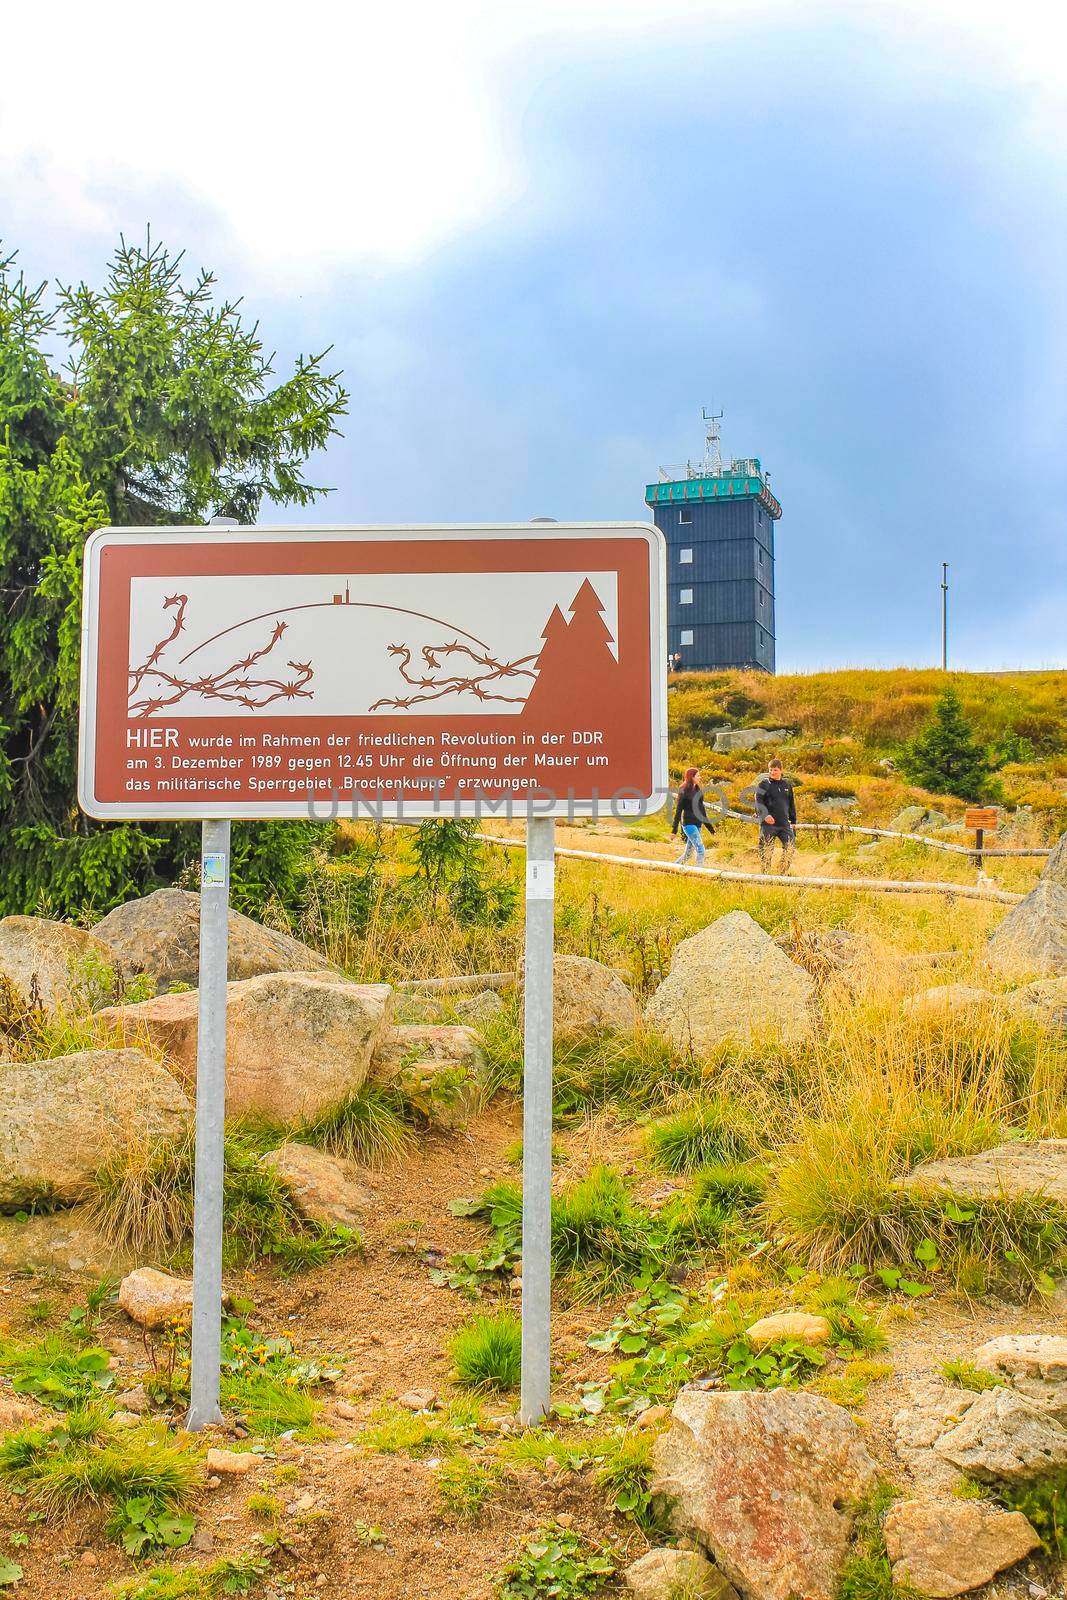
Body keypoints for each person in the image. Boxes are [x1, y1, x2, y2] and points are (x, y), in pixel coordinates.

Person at [755, 758, 796, 873]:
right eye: (770, 770)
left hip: (784, 824)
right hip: (768, 824)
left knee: (790, 847)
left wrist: (793, 821)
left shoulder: (787, 785)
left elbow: (791, 804)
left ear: (781, 771)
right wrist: (765, 815)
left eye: (775, 770)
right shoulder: (763, 784)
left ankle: (782, 873)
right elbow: (758, 801)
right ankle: (765, 875)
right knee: (766, 850)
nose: (772, 772)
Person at [671, 766, 714, 866]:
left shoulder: (698, 790)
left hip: (698, 824)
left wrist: (710, 828)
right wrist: (674, 830)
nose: (700, 777)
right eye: (698, 776)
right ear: (692, 777)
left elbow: (702, 811)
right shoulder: (684, 790)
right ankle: (700, 872)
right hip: (688, 824)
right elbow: (678, 811)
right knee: (701, 849)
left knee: (688, 854)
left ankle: (672, 868)